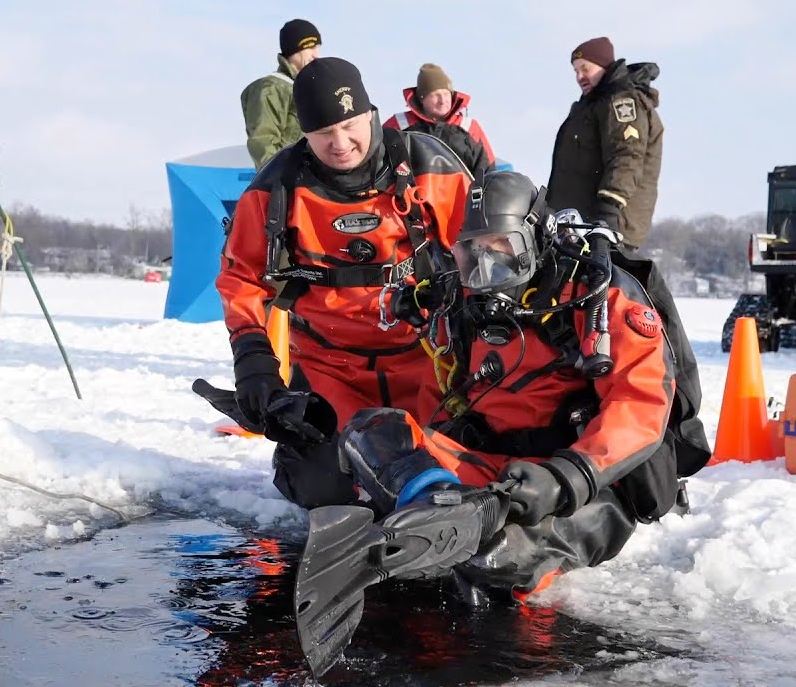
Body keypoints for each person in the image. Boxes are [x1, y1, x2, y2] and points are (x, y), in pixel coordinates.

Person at [302, 171, 711, 611]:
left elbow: (639, 406)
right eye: (471, 256)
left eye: (501, 256)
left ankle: (469, 535)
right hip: (492, 471)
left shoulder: (600, 296)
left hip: (584, 483)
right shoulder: (462, 300)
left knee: (494, 558)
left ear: (535, 240)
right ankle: (439, 509)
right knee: (372, 431)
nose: (484, 273)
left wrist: (565, 477)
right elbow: (440, 394)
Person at [216, 56, 477, 508]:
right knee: (325, 490)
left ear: (371, 113)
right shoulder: (275, 189)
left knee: (458, 478)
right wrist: (253, 359)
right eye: (323, 134)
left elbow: (484, 257)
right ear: (304, 133)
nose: (340, 143)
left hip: (429, 364)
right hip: (329, 368)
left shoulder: (429, 169)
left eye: (350, 124)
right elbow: (241, 277)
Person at [546, 36, 663, 252]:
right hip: (578, 226)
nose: (579, 77)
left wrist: (610, 208)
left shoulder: (621, 101)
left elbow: (627, 156)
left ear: (603, 66)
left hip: (607, 225)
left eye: (585, 68)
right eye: (575, 71)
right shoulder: (592, 106)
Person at [384, 63, 496, 176]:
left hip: (460, 192)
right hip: (412, 191)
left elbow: (488, 171)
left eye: (446, 94)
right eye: (435, 95)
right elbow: (376, 160)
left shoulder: (469, 127)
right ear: (422, 98)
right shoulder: (399, 125)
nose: (443, 100)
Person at [240, 19, 322, 170]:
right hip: (288, 180)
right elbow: (263, 142)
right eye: (310, 47)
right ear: (293, 49)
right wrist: (280, 179)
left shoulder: (306, 88)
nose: (316, 55)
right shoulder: (271, 88)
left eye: (317, 48)